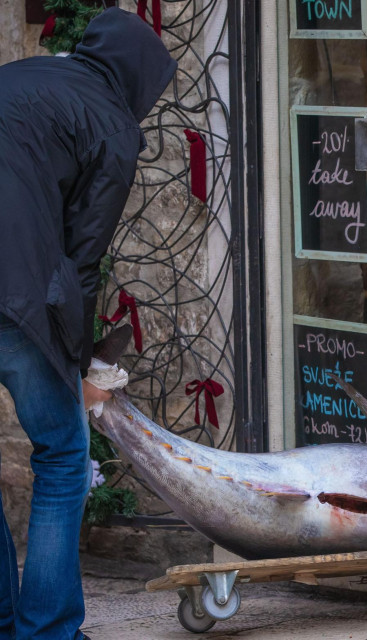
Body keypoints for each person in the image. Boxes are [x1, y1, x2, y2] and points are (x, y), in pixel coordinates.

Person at [0, 8, 176, 639]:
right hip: (13, 295)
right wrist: (83, 366)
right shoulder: (110, 122)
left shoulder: (17, 77)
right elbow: (82, 258)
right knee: (64, 456)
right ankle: (46, 631)